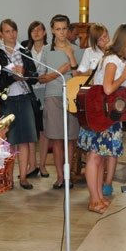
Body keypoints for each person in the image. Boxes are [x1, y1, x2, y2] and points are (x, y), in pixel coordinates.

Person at [77, 24, 126, 214]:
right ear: (125, 40)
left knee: (100, 157)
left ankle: (99, 197)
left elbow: (120, 94)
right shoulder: (112, 60)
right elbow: (107, 89)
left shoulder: (120, 61)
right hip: (99, 113)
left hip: (110, 114)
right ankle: (93, 200)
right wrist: (125, 75)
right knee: (94, 157)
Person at [0, 19, 38, 190]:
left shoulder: (24, 51)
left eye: (13, 31)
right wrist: (12, 77)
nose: (11, 34)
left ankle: (23, 177)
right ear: (1, 34)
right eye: (7, 31)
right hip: (7, 100)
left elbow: (34, 76)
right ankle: (8, 178)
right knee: (9, 141)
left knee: (25, 140)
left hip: (24, 98)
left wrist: (24, 72)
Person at [76, 23, 117, 196]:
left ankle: (108, 182)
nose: (104, 40)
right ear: (94, 41)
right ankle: (96, 190)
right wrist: (91, 71)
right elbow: (79, 74)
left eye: (106, 36)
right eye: (100, 39)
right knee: (96, 149)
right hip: (95, 103)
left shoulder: (114, 53)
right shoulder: (89, 52)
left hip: (111, 101)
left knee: (112, 145)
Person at [42, 14, 80, 189]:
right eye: (58, 29)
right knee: (57, 139)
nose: (62, 32)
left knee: (71, 138)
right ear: (52, 30)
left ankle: (68, 176)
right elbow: (41, 78)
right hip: (53, 95)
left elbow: (79, 76)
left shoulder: (76, 49)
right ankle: (59, 177)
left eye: (64, 28)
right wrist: (59, 72)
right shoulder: (46, 50)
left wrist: (71, 57)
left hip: (71, 96)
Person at [26, 20, 50, 177]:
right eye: (33, 30)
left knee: (44, 131)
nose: (36, 33)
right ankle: (32, 165)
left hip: (46, 91)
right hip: (30, 92)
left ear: (45, 32)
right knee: (31, 131)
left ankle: (42, 165)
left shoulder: (50, 49)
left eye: (39, 30)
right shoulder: (25, 51)